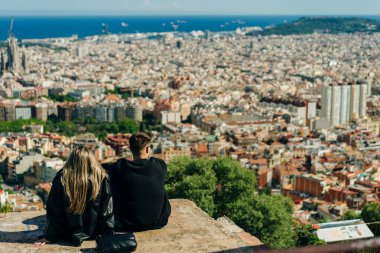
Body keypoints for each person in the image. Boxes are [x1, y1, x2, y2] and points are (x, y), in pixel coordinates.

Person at [34, 146, 114, 246]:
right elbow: (107, 211)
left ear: (71, 160)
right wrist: (108, 235)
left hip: (68, 234)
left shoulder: (62, 178)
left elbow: (55, 211)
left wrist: (50, 237)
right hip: (95, 234)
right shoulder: (101, 177)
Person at [103, 132, 171, 232]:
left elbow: (101, 168)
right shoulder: (159, 165)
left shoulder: (120, 167)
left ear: (130, 149)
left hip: (126, 224)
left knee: (111, 181)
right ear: (148, 148)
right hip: (157, 222)